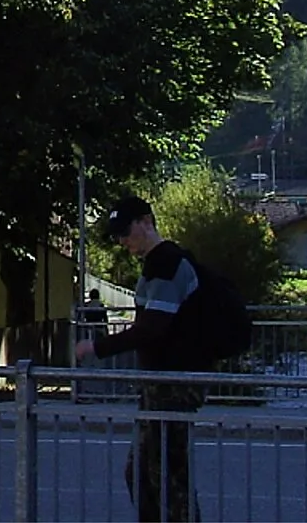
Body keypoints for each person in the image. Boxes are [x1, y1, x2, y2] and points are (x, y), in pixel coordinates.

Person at [75, 197, 202, 522]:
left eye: (125, 232)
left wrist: (97, 347)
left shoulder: (167, 264)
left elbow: (151, 329)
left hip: (172, 385)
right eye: (117, 236)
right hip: (159, 383)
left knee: (166, 476)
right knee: (144, 473)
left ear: (146, 221)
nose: (122, 241)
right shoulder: (157, 263)